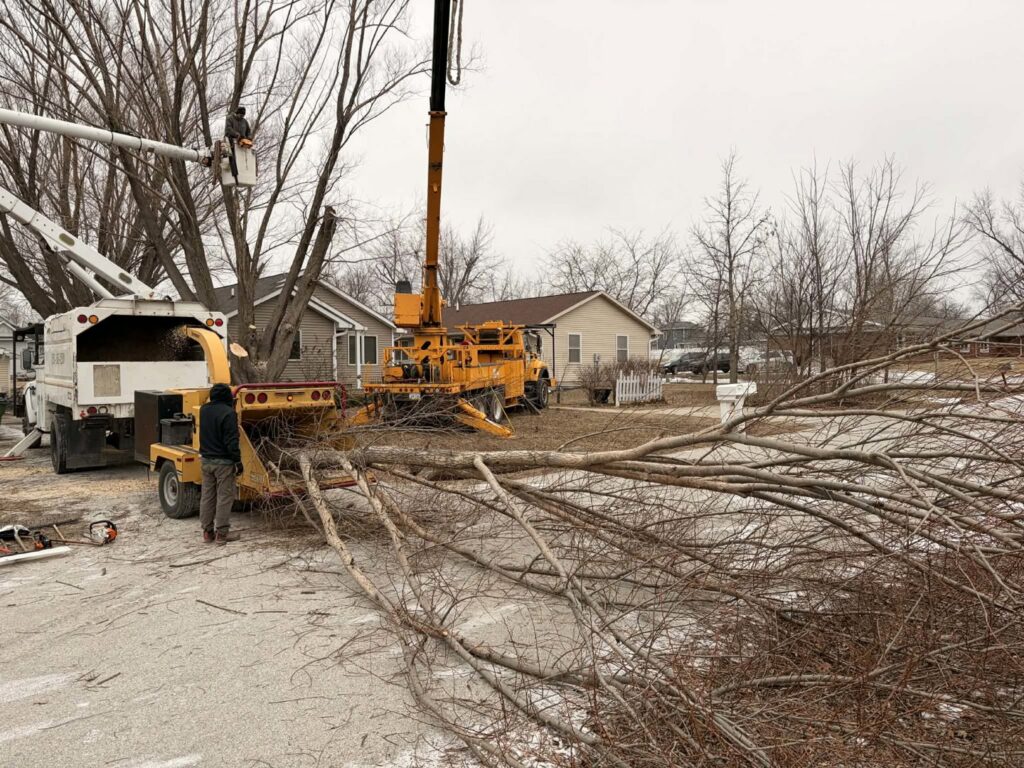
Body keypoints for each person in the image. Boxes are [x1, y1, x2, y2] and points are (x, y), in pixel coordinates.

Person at [198, 383, 242, 544]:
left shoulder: (204, 410)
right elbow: (231, 441)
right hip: (223, 462)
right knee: (224, 497)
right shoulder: (229, 413)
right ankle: (222, 534)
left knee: (207, 496)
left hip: (206, 460)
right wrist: (238, 461)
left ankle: (207, 532)